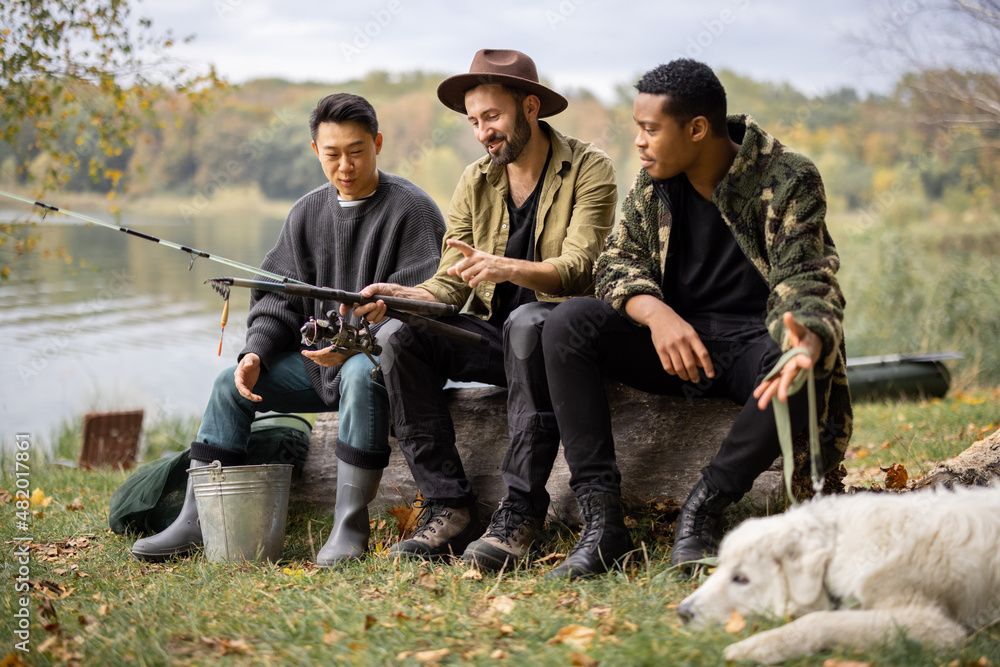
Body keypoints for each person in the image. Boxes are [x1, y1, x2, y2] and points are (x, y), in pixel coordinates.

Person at [541, 59, 853, 579]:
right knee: (565, 323)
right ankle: (602, 523)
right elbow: (616, 263)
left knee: (801, 359)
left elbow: (808, 277)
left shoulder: (787, 176)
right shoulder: (654, 181)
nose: (639, 142)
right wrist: (657, 314)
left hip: (753, 343)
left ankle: (703, 510)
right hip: (673, 347)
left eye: (649, 129)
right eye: (638, 128)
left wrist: (807, 337)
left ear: (697, 129)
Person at [130, 93, 446, 565]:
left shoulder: (413, 210)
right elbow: (276, 299)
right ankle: (196, 521)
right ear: (314, 151)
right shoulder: (305, 213)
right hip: (317, 367)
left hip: (384, 370)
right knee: (230, 383)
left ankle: (348, 527)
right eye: (333, 153)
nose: (345, 166)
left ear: (378, 144)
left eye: (357, 151)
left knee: (361, 372)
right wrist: (255, 353)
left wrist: (357, 345)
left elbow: (428, 306)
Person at [349, 49, 617, 568]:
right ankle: (448, 506)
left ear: (531, 107)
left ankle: (520, 511)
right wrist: (405, 298)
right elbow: (451, 285)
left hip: (560, 340)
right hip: (498, 337)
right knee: (399, 338)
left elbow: (581, 267)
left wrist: (506, 267)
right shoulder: (476, 179)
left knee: (526, 320)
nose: (482, 132)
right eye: (473, 121)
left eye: (491, 117)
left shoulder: (590, 167)